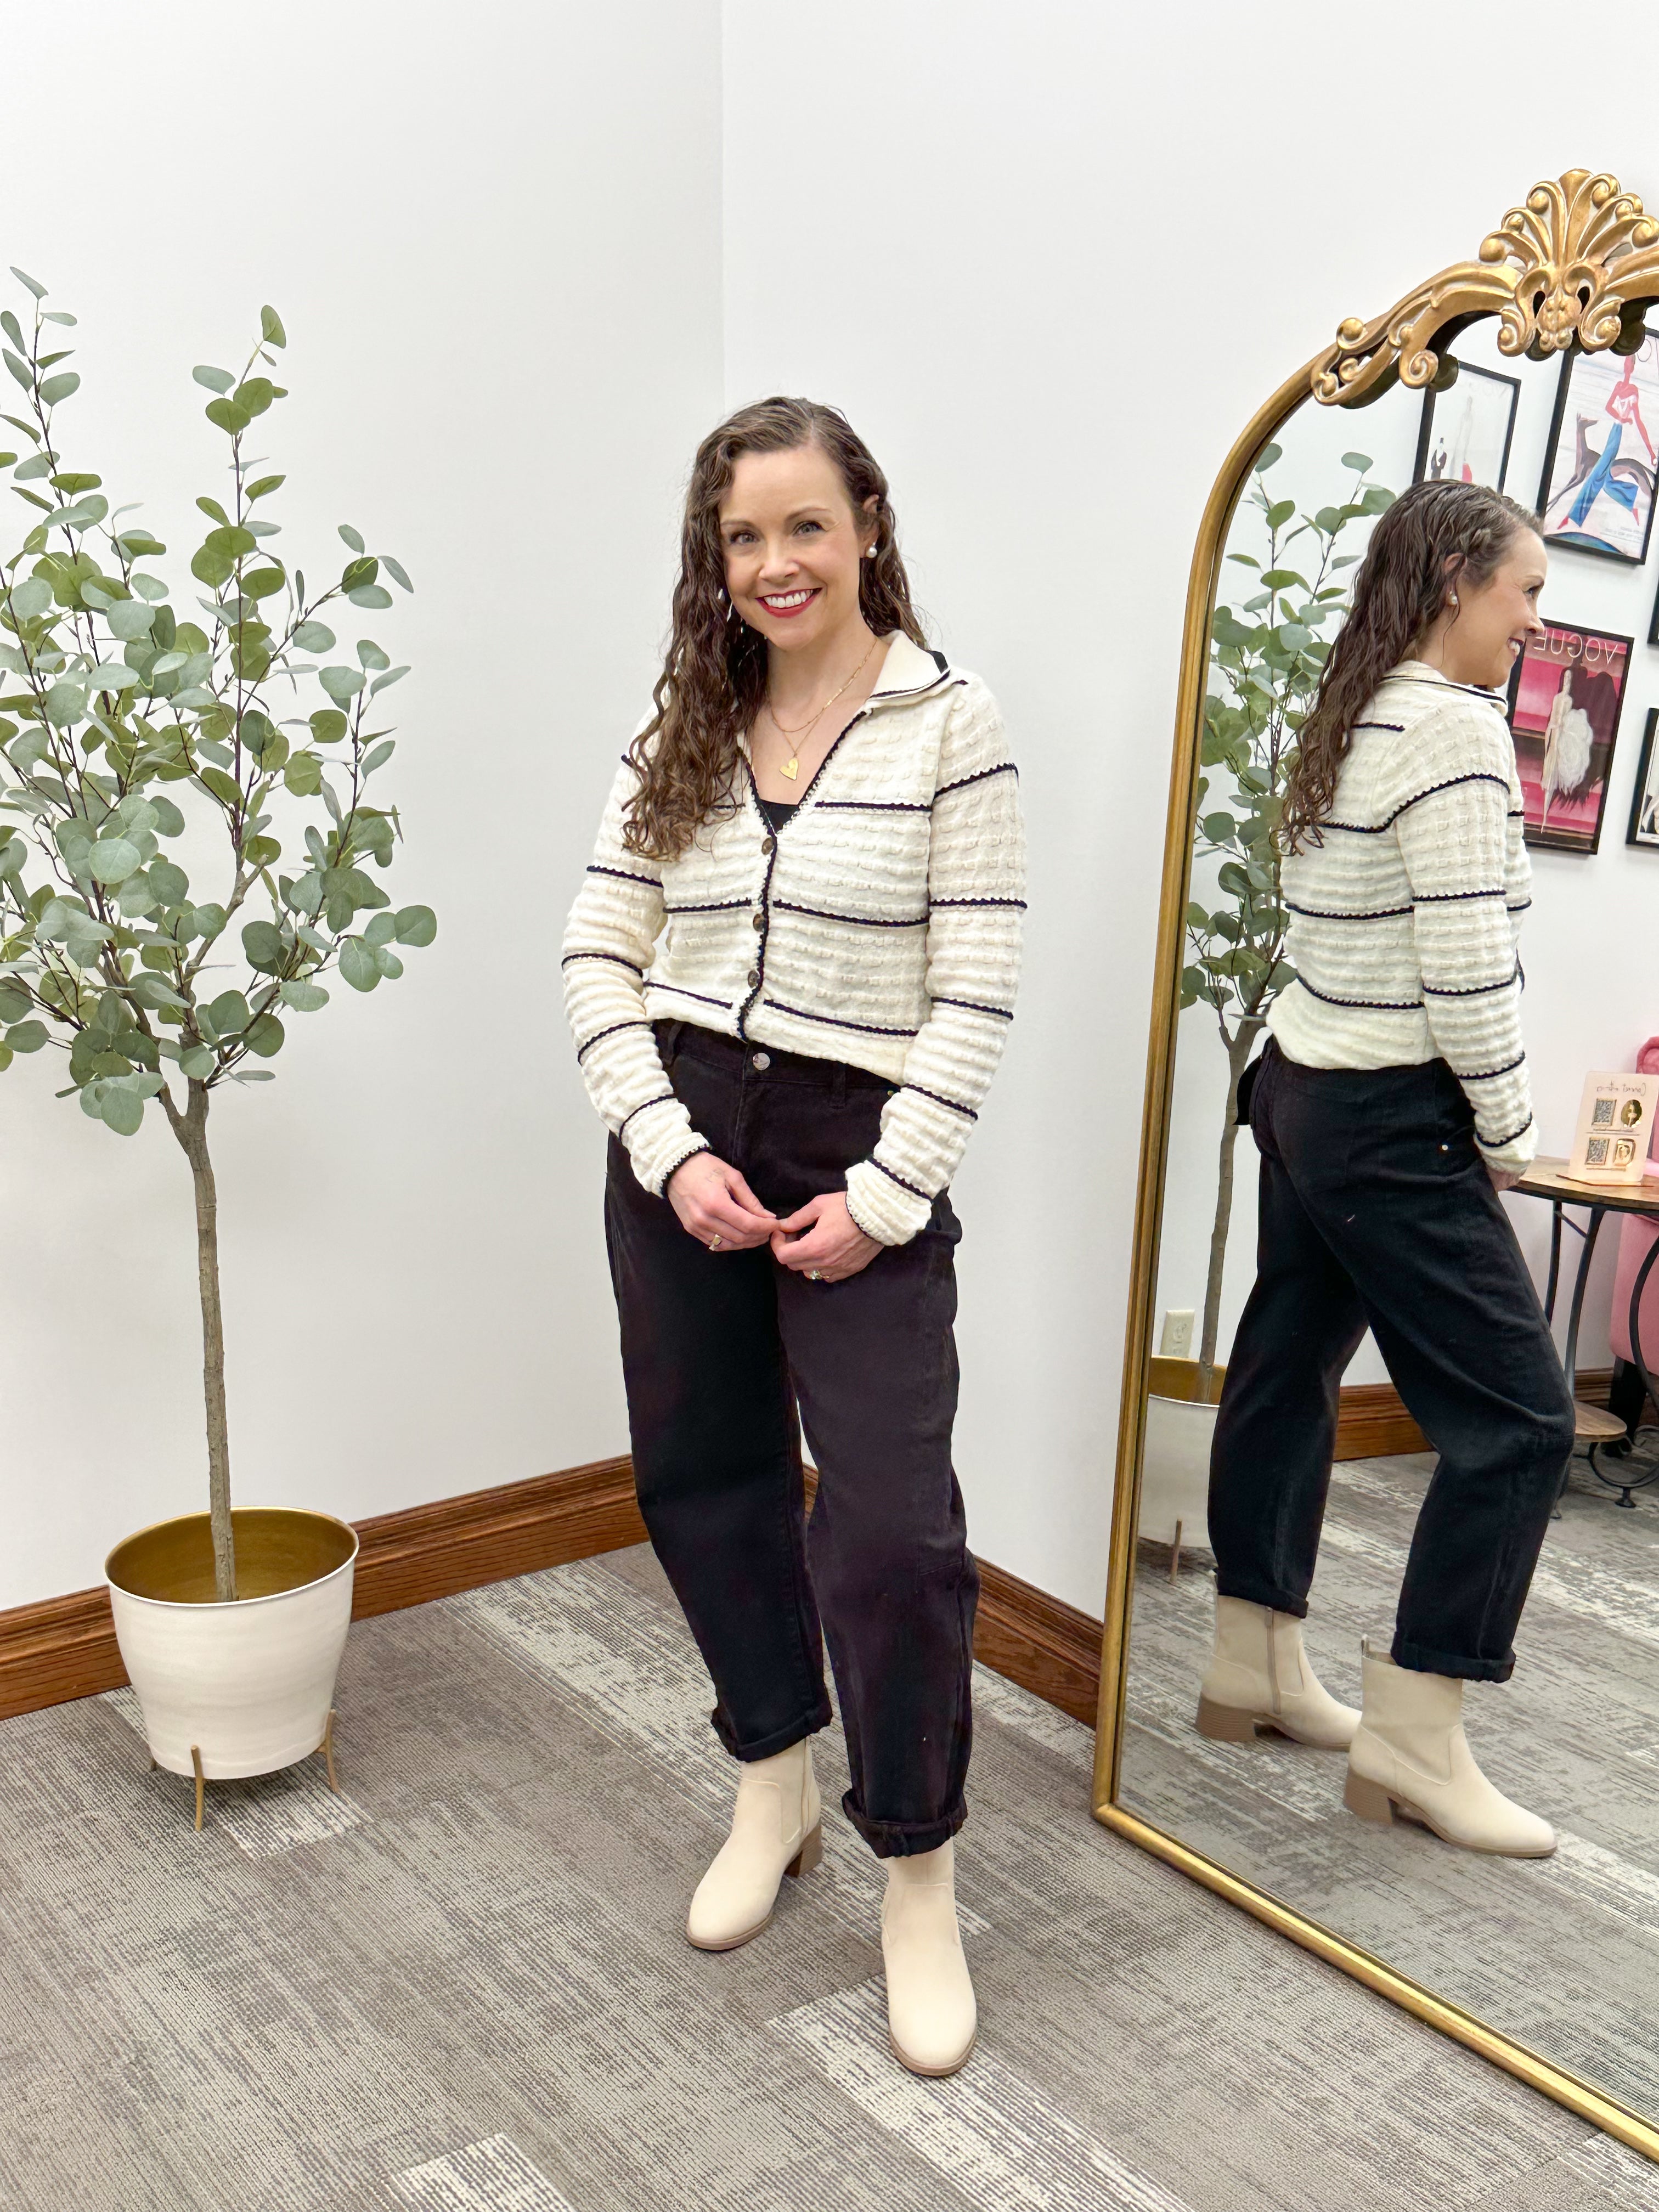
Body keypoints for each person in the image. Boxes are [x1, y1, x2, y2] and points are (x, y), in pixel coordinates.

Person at [562, 397, 1026, 2076]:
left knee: (896, 1531)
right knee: (701, 1474)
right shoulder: (680, 722)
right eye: (743, 537)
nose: (775, 564)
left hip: (862, 1139)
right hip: (683, 1133)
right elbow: (596, 958)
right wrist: (668, 1146)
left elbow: (977, 981)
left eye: (804, 527)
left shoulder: (950, 725)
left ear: (868, 527)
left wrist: (889, 1193)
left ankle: (918, 1872)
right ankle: (774, 1779)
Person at [1195, 479, 1576, 1860]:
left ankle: (1253, 1663)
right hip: (1388, 1113)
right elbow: (1469, 968)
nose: (1538, 621)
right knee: (1525, 1420)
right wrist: (1512, 1133)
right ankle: (1417, 1740)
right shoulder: (1459, 734)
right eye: (1527, 590)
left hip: (1299, 1086)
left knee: (1286, 1370)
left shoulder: (1348, 709)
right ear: (1458, 581)